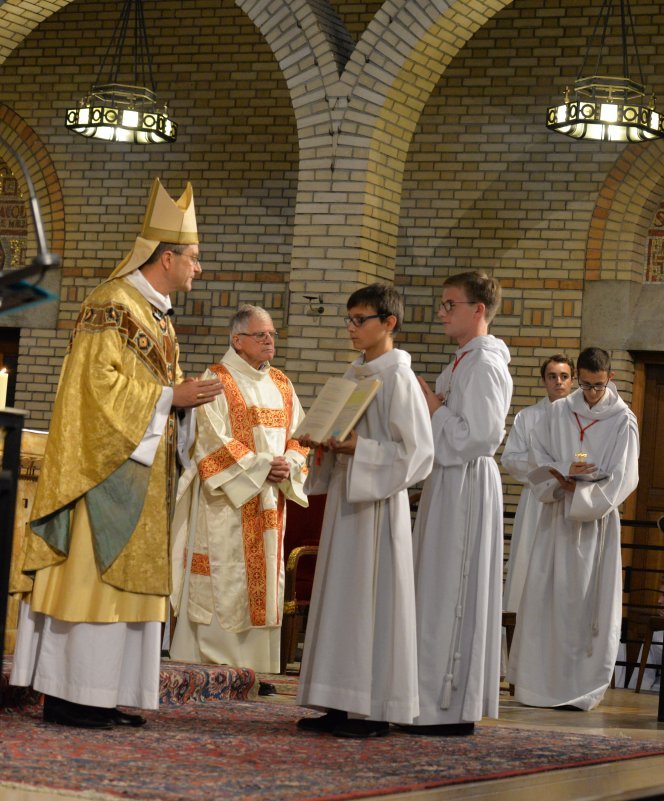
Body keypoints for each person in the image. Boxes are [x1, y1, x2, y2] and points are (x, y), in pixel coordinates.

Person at [9, 179, 221, 729]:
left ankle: (103, 694)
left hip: (141, 470)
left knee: (125, 589)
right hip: (102, 471)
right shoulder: (111, 304)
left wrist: (183, 402)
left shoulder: (156, 314)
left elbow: (162, 386)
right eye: (194, 258)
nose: (199, 268)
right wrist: (169, 397)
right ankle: (72, 694)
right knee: (91, 581)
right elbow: (92, 390)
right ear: (167, 256)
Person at [293, 283, 434, 738]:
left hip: (376, 506)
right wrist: (324, 444)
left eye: (361, 320)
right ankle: (336, 700)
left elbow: (418, 453)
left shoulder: (398, 377)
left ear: (388, 323)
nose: (351, 329)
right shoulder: (354, 374)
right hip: (345, 501)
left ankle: (371, 708)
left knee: (370, 604)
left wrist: (361, 449)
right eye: (349, 319)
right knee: (339, 602)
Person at [168, 306, 309, 674]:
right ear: (237, 340)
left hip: (269, 504)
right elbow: (209, 444)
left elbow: (301, 438)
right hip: (226, 504)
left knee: (262, 583)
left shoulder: (282, 384)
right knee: (225, 578)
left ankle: (256, 668)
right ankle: (211, 664)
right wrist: (264, 466)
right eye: (260, 334)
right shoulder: (216, 379)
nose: (269, 340)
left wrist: (289, 464)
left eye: (272, 334)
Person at [508, 347, 639, 710]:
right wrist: (562, 476)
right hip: (555, 521)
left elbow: (625, 477)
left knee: (584, 606)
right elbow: (537, 457)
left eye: (599, 385)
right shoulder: (557, 412)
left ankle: (581, 688)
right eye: (586, 385)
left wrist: (581, 492)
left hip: (594, 525)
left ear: (610, 378)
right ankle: (537, 685)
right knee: (545, 599)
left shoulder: (623, 420)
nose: (593, 392)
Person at [411, 270, 513, 735]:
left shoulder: (485, 364)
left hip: (467, 483)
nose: (441, 312)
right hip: (447, 482)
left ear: (478, 310)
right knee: (434, 588)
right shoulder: (462, 362)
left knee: (452, 590)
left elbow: (482, 437)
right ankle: (427, 699)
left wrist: (434, 408)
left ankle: (448, 704)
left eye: (450, 304)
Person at [500, 353, 574, 614]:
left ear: (572, 380)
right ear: (544, 380)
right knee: (527, 564)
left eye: (564, 376)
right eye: (552, 376)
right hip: (535, 501)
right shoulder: (527, 417)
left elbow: (586, 454)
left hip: (569, 498)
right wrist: (547, 469)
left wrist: (573, 466)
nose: (558, 382)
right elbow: (511, 459)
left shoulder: (581, 419)